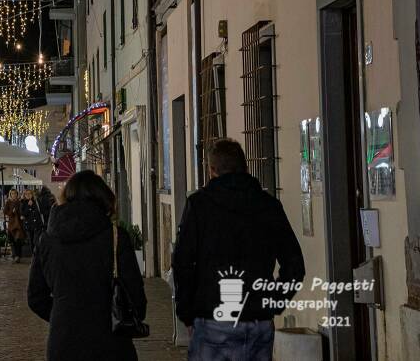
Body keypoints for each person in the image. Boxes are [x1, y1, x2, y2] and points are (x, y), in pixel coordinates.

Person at [173, 139, 305, 360]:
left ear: (212, 170)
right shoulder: (268, 205)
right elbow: (294, 265)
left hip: (212, 318)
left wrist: (187, 313)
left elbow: (182, 263)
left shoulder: (199, 205)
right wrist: (273, 302)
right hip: (258, 320)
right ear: (244, 167)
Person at [27, 170, 146, 361]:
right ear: (105, 198)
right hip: (111, 343)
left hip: (64, 342)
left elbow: (35, 297)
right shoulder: (116, 237)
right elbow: (137, 300)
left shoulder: (47, 240)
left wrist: (64, 314)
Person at [4, 188, 26, 263]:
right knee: (12, 240)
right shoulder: (8, 202)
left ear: (17, 194)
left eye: (15, 193)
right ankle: (14, 254)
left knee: (18, 240)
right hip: (11, 224)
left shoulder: (19, 202)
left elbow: (22, 211)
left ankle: (18, 256)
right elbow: (5, 212)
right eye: (12, 193)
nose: (14, 195)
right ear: (10, 194)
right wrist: (11, 212)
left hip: (19, 224)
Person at [20, 188, 44, 253]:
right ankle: (34, 256)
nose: (28, 195)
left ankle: (37, 254)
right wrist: (28, 206)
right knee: (31, 241)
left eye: (29, 193)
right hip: (29, 225)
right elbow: (23, 215)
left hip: (37, 225)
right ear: (24, 195)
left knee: (36, 240)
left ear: (32, 194)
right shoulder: (23, 203)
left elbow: (41, 211)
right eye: (26, 194)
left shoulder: (36, 201)